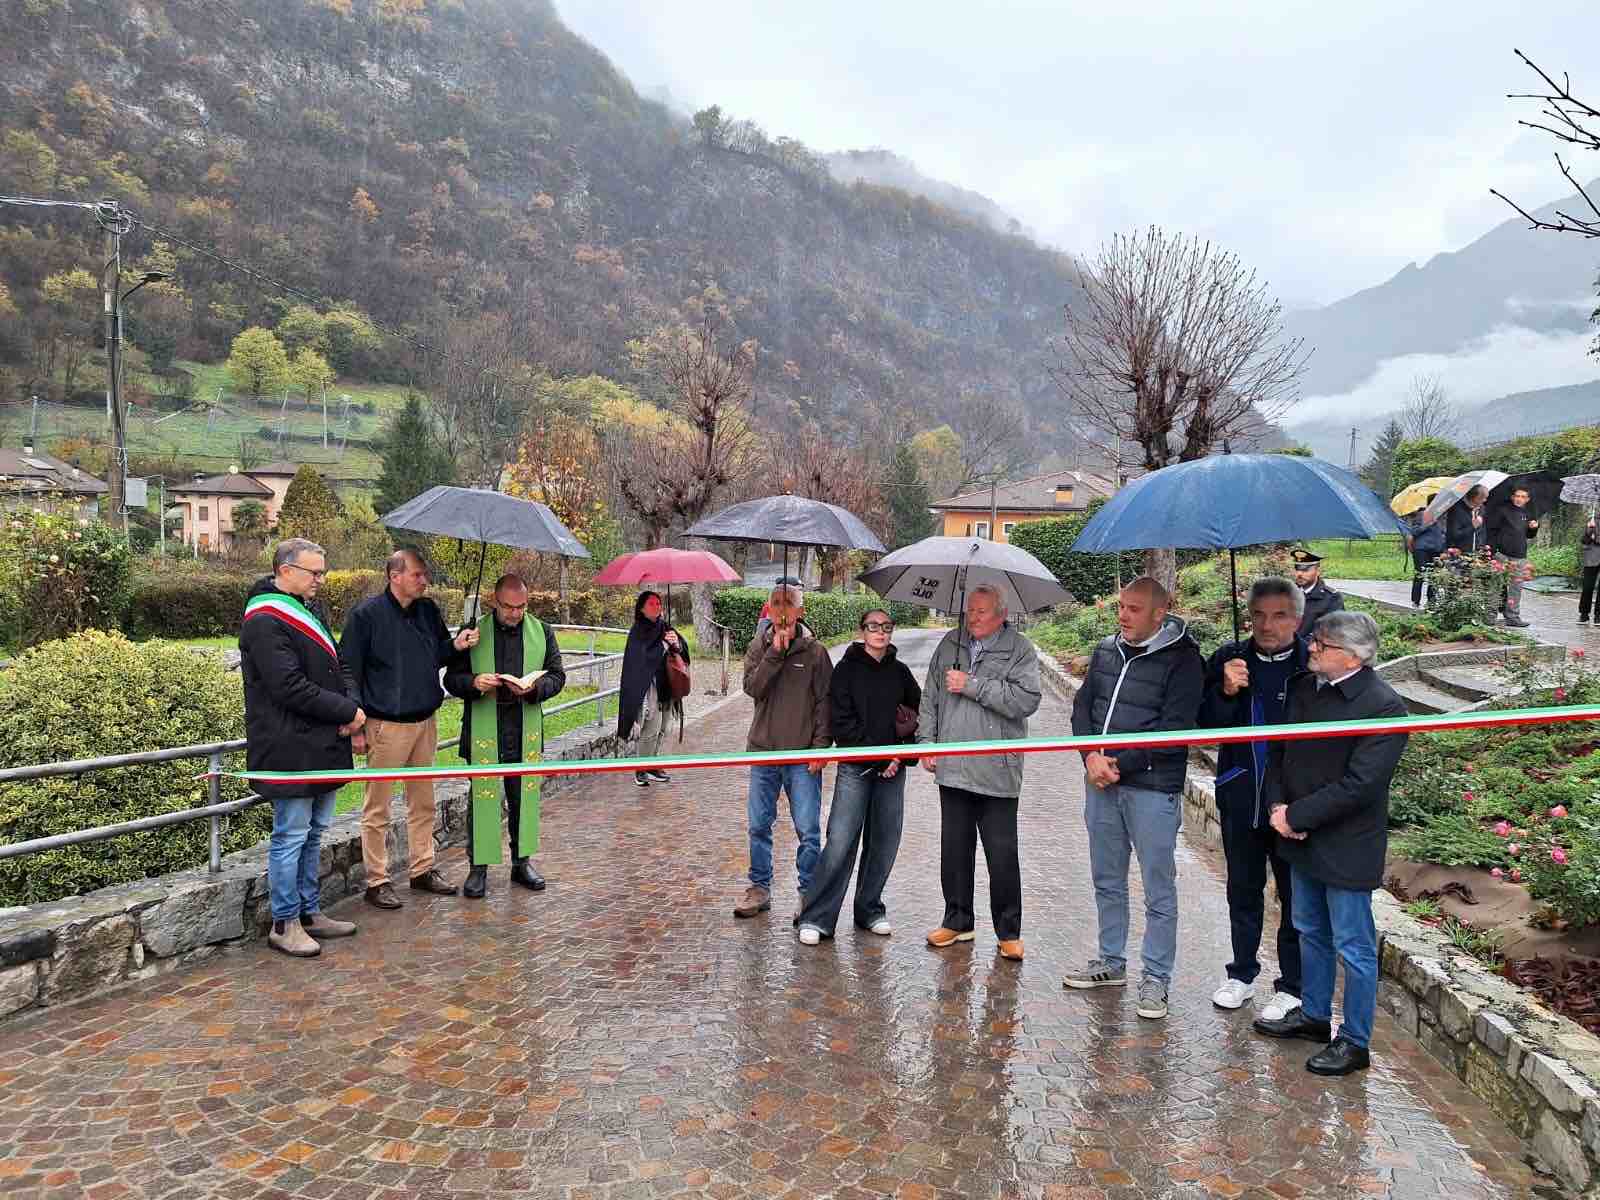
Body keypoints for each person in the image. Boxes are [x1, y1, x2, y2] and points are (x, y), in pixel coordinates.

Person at [1252, 611, 1409, 1077]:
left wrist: (1296, 817)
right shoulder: (1304, 689)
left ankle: (1355, 1041)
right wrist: (1280, 808)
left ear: (1352, 654)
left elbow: (1361, 785)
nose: (1311, 648)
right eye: (1313, 640)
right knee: (1308, 930)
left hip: (1345, 844)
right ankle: (1315, 1016)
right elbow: (1279, 750)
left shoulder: (1383, 706)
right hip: (1298, 837)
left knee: (1354, 946)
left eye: (1321, 643)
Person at [1064, 576, 1204, 1018]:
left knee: (1158, 888)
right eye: (1121, 607)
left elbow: (1174, 730)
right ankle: (1111, 962)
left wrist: (1118, 764)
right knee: (1107, 878)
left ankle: (1156, 979)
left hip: (1150, 789)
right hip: (1101, 785)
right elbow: (1082, 708)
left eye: (1134, 609)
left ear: (1159, 613)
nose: (1123, 616)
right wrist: (1089, 756)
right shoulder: (1107, 651)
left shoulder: (1184, 660)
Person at [240, 538, 364, 959]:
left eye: (322, 573)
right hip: (288, 745)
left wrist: (351, 706)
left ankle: (309, 912)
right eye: (314, 573)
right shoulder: (265, 619)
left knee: (314, 834)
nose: (320, 581)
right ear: (285, 570)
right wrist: (346, 709)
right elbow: (287, 686)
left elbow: (338, 663)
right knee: (291, 836)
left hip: (323, 741)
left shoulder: (309, 610)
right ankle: (284, 921)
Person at [340, 549, 479, 909]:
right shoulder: (365, 616)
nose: (424, 580)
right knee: (378, 809)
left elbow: (438, 655)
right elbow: (348, 670)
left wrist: (457, 645)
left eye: (424, 575)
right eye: (418, 574)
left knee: (423, 804)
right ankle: (377, 880)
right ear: (395, 575)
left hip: (425, 722)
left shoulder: (428, 611)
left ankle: (422, 869)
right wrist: (356, 724)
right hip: (385, 725)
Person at [1198, 577, 1308, 1020]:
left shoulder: (1310, 664)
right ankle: (1241, 974)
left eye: (1279, 615)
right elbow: (1203, 723)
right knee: (1243, 889)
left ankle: (1292, 984)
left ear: (1297, 619)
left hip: (1293, 806)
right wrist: (1225, 691)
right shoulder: (1229, 658)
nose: (1267, 624)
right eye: (1259, 615)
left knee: (1294, 896)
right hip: (1241, 792)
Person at [919, 585, 1041, 961]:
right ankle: (957, 921)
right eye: (970, 610)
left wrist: (972, 685)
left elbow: (1026, 700)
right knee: (954, 850)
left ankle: (1009, 932)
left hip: (997, 769)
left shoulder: (1020, 649)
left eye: (982, 612)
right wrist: (927, 740)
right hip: (953, 766)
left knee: (1001, 854)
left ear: (1001, 615)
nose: (972, 617)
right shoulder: (950, 644)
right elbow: (931, 695)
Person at [797, 608, 921, 945]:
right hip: (856, 769)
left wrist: (900, 753)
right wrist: (880, 759)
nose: (880, 632)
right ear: (862, 630)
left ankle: (869, 909)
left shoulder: (901, 673)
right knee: (840, 841)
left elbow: (914, 716)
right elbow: (843, 723)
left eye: (886, 627)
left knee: (883, 842)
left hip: (892, 771)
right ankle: (817, 916)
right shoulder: (846, 671)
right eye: (873, 627)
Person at [442, 574, 565, 898]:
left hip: (523, 728)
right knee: (482, 799)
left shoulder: (543, 632)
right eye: (508, 607)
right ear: (495, 601)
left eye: (521, 606)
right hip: (485, 727)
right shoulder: (473, 633)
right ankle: (477, 869)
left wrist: (534, 689)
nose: (515, 613)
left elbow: (558, 676)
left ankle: (521, 863)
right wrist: (473, 682)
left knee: (523, 798)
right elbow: (451, 680)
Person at [735, 584, 832, 919]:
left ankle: (809, 892)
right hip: (763, 752)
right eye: (776, 603)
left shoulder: (816, 652)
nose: (782, 610)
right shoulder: (758, 646)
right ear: (767, 608)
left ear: (800, 611)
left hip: (802, 755)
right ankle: (759, 887)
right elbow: (753, 688)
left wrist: (820, 748)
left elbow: (825, 704)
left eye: (789, 603)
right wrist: (774, 653)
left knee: (807, 828)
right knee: (759, 824)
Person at [616, 590, 689, 787]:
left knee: (664, 728)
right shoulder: (638, 631)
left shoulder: (664, 626)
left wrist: (676, 643)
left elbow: (681, 651)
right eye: (652, 604)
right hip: (650, 688)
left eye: (659, 603)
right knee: (651, 728)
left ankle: (653, 764)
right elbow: (641, 659)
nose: (657, 607)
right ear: (641, 608)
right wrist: (664, 645)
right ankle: (641, 768)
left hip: (667, 685)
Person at [1487, 486, 1538, 628]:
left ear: (1527, 499)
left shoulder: (1527, 513)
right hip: (1501, 554)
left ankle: (1512, 617)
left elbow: (1528, 535)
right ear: (1512, 497)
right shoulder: (1502, 510)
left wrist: (1533, 528)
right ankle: (1490, 616)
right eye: (1517, 496)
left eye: (1523, 497)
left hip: (1519, 555)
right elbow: (1492, 530)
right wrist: (1492, 551)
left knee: (1516, 587)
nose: (1519, 499)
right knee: (1495, 586)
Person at [1289, 548, 1343, 637]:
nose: (1299, 574)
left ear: (1318, 571)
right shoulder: (1287, 594)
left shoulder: (1331, 598)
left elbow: (1330, 632)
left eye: (1305, 570)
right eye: (1297, 569)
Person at [1405, 502, 1446, 608]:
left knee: (1434, 576)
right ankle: (1415, 601)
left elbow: (1443, 532)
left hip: (1437, 550)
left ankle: (1431, 600)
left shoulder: (1442, 516)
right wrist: (1426, 525)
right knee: (1420, 574)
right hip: (1422, 550)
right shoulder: (1422, 514)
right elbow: (1413, 532)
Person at [754, 576, 804, 641]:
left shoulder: (797, 606)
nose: (801, 593)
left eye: (801, 590)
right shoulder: (771, 608)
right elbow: (763, 631)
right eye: (798, 590)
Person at [1445, 485, 1489, 557]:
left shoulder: (1482, 508)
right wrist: (1472, 526)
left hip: (1478, 553)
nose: (1485, 500)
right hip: (1460, 554)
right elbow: (1454, 535)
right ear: (1475, 497)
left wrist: (1482, 545)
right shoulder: (1457, 510)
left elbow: (1483, 530)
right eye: (1483, 498)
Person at [1579, 517, 1600, 625]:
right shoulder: (1591, 520)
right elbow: (1584, 541)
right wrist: (1589, 530)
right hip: (1591, 557)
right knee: (1587, 586)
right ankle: (1584, 614)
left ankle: (1598, 616)